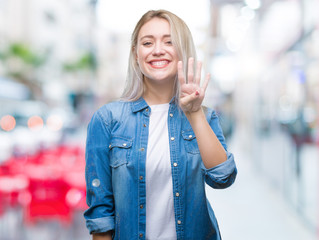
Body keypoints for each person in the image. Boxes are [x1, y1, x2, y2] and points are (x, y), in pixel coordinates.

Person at [84, 9, 237, 240]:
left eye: (169, 42)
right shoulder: (107, 120)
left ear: (182, 52)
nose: (157, 50)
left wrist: (194, 113)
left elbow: (223, 178)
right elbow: (101, 215)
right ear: (136, 54)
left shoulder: (204, 117)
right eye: (147, 42)